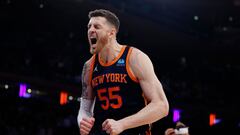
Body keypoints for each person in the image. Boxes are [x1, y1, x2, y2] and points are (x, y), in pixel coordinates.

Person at [77, 9, 169, 135]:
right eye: (89, 26)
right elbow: (85, 110)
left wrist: (122, 124)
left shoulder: (134, 57)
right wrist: (83, 123)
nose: (90, 30)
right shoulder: (89, 66)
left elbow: (162, 106)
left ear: (111, 33)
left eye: (97, 26)